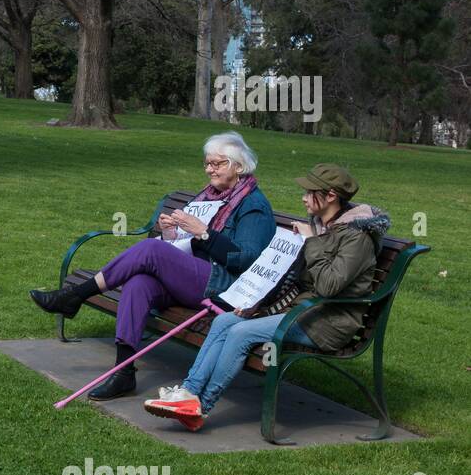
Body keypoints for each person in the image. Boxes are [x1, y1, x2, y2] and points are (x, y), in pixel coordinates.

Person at [30, 131, 276, 400]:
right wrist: (171, 231)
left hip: (223, 285)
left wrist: (204, 233)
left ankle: (75, 295)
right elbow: (185, 242)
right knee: (138, 284)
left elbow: (247, 259)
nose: (209, 170)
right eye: (207, 163)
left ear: (238, 166)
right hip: (192, 275)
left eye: (216, 164)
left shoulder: (253, 205)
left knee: (151, 249)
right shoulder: (209, 195)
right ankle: (123, 373)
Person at [145, 165, 390, 431]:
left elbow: (329, 286)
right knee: (224, 321)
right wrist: (257, 305)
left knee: (241, 334)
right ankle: (188, 393)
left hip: (330, 323)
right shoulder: (324, 227)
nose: (303, 198)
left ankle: (201, 406)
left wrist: (312, 242)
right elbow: (294, 281)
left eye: (309, 192)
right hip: (304, 312)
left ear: (330, 196)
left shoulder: (356, 238)